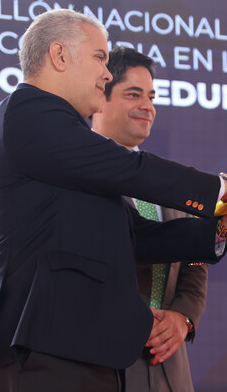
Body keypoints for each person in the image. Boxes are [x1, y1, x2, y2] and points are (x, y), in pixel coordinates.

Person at [0, 9, 227, 392]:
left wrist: (224, 224)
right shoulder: (29, 110)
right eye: (99, 57)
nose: (106, 74)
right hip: (37, 344)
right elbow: (133, 170)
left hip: (77, 346)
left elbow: (138, 237)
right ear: (59, 55)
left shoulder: (65, 141)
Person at [91, 46, 212, 392]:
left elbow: (194, 263)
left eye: (151, 96)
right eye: (133, 94)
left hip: (167, 367)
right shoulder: (75, 172)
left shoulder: (167, 180)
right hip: (99, 364)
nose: (148, 106)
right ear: (102, 96)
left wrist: (182, 318)